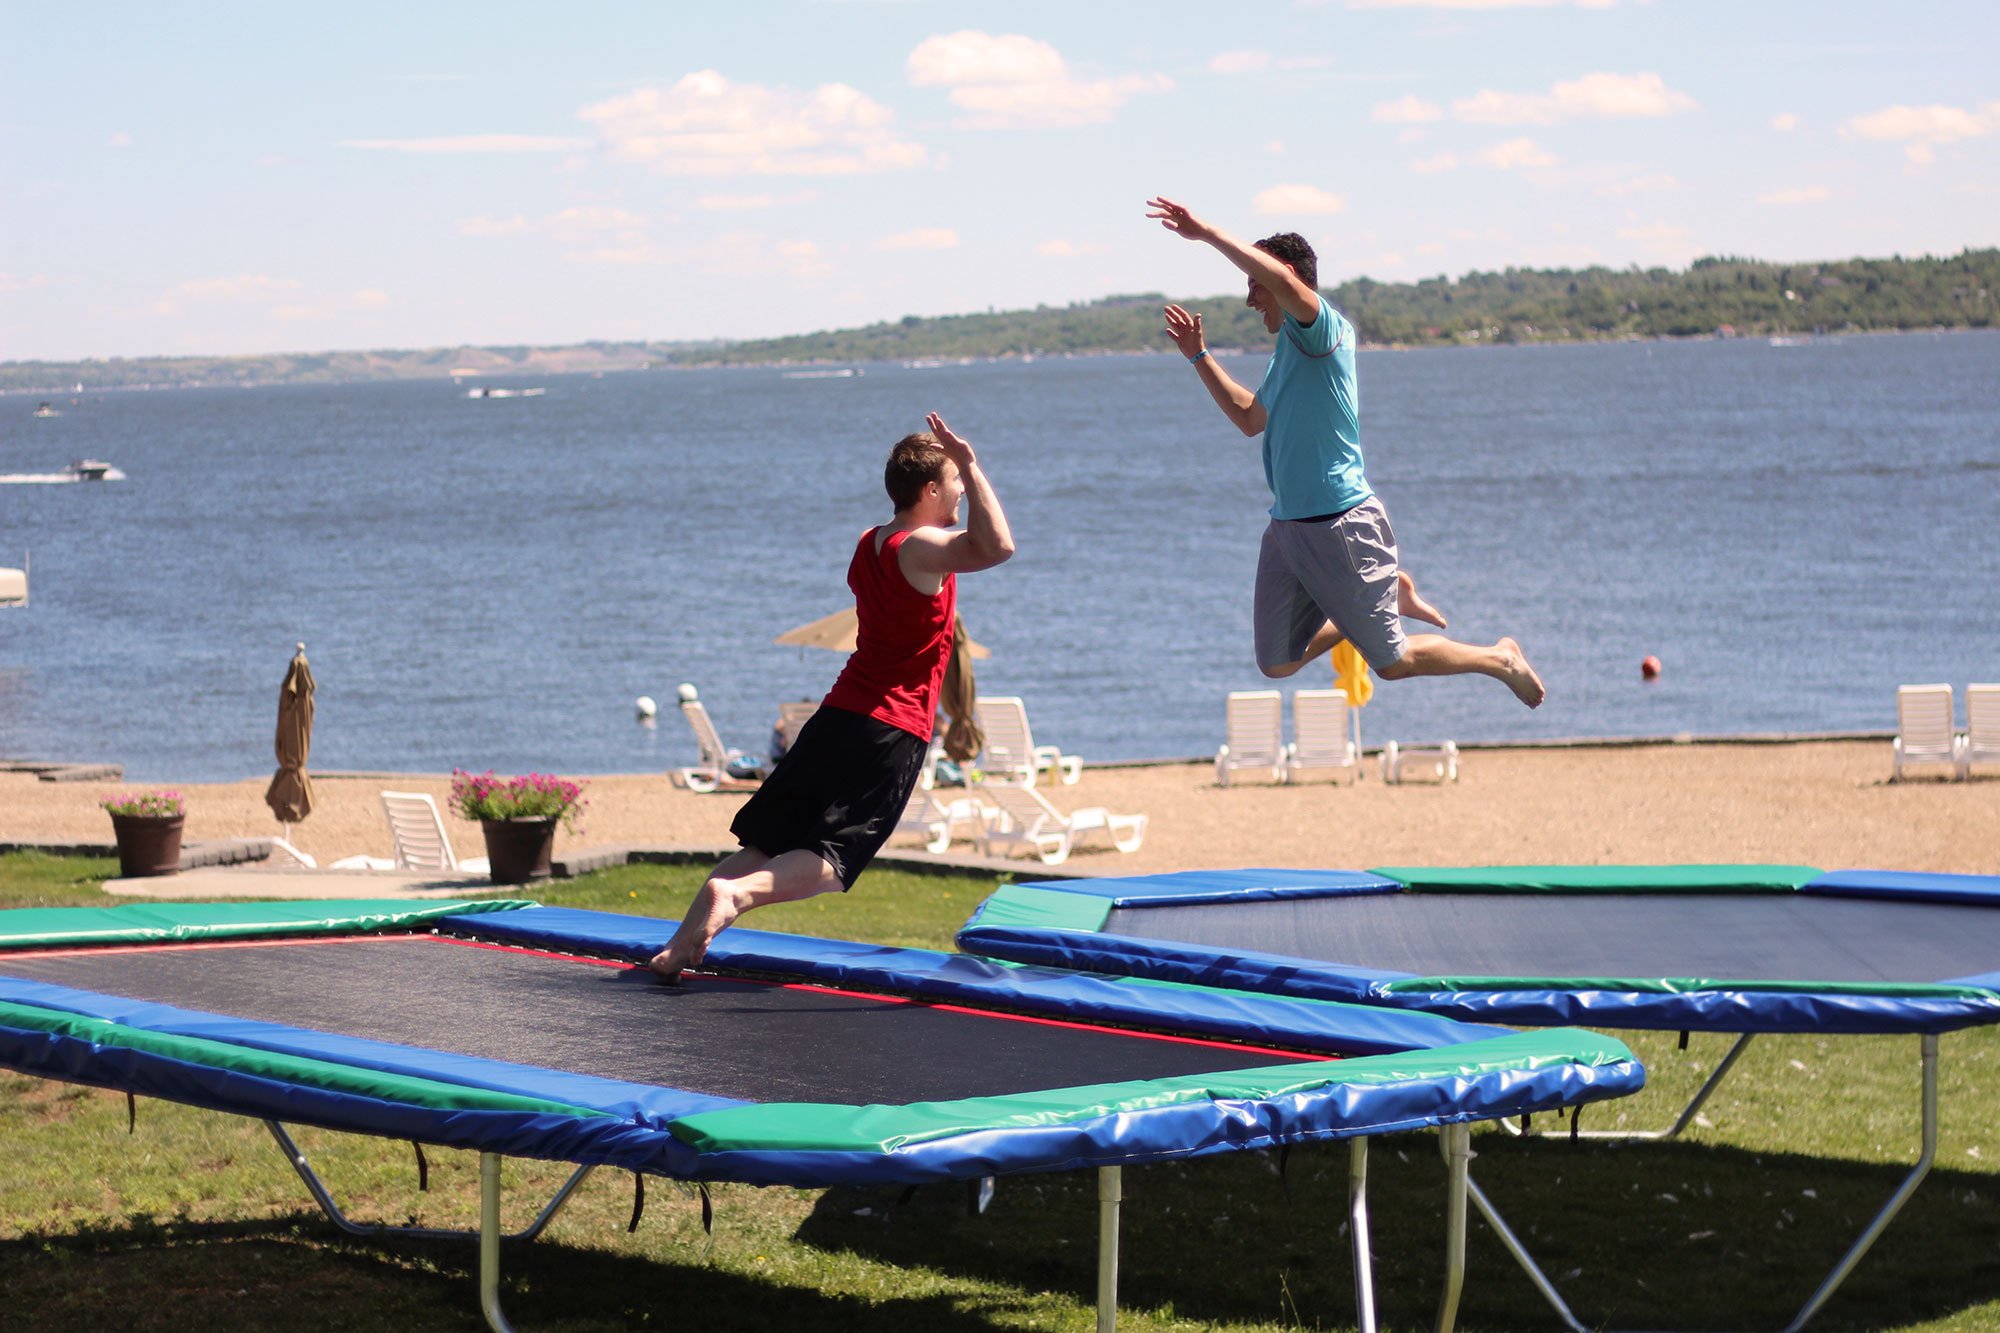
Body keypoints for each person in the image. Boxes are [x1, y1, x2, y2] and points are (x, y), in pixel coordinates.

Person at [649, 413, 1015, 982]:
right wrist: (970, 459)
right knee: (834, 860)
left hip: (839, 711)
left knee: (768, 841)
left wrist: (960, 471)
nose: (963, 492)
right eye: (956, 485)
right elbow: (998, 547)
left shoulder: (870, 542)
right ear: (930, 489)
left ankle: (677, 947)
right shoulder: (919, 547)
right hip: (889, 727)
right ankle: (738, 897)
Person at [1146, 195, 1545, 708]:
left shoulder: (1322, 330)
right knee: (1277, 661)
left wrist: (1206, 232)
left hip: (1341, 524)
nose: (1251, 302)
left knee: (1394, 664)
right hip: (1288, 529)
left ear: (1282, 275)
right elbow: (1250, 419)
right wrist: (1198, 356)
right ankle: (1385, 600)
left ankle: (1501, 658)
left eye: (1255, 287)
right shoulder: (1288, 352)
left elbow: (1287, 286)